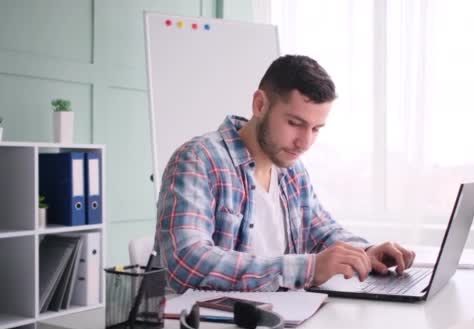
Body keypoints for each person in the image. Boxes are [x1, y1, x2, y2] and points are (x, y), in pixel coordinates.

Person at [155, 54, 416, 293]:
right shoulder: (198, 160)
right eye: (295, 123)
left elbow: (321, 232)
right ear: (260, 105)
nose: (305, 143)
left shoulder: (290, 169)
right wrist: (310, 268)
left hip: (281, 319)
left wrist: (367, 252)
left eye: (316, 129)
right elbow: (186, 261)